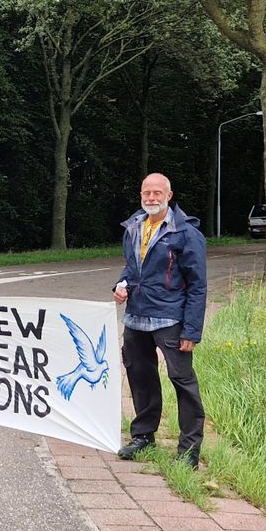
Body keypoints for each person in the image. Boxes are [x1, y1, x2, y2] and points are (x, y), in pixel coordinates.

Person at [114, 173, 207, 468]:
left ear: (169, 195)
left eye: (157, 193)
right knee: (140, 378)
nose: (151, 198)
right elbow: (132, 269)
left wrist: (191, 330)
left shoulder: (186, 233)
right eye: (146, 193)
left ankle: (189, 451)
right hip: (136, 317)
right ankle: (143, 437)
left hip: (170, 319)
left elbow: (197, 285)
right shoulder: (134, 227)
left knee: (182, 381)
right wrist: (120, 285)